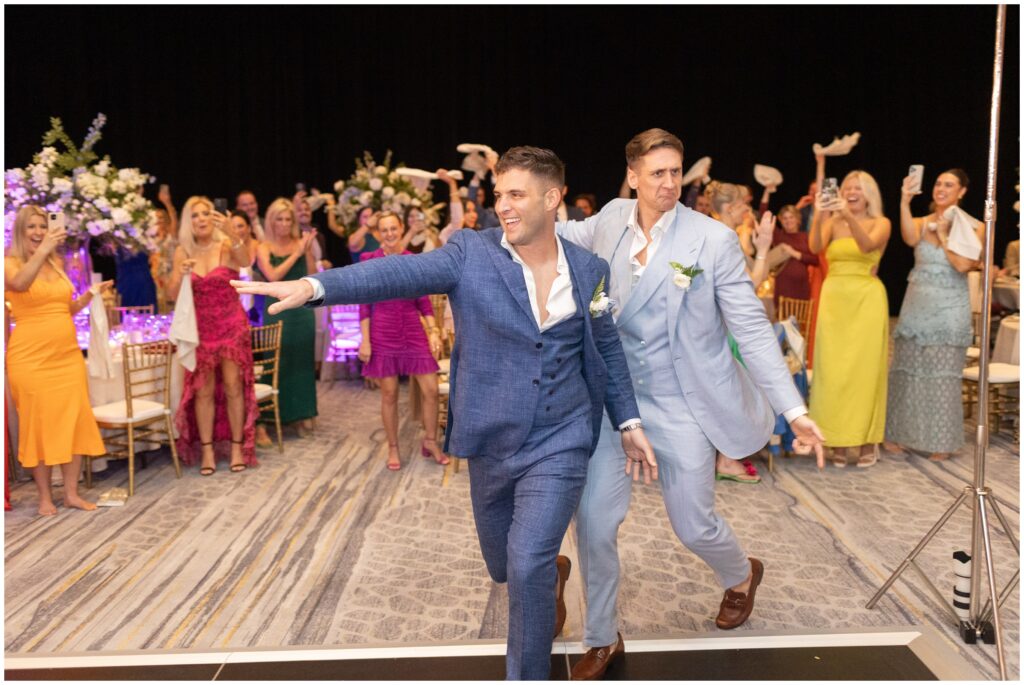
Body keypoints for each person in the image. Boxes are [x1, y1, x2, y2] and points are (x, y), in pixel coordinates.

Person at [233, 146, 656, 680]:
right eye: (499, 194)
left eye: (515, 194)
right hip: (490, 437)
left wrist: (629, 422)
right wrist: (317, 286)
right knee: (505, 565)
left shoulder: (590, 270)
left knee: (524, 564)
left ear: (552, 199)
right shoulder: (469, 253)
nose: (502, 205)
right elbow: (398, 273)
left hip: (562, 435)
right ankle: (547, 572)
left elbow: (607, 348)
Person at [556, 129, 824, 680]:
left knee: (693, 525)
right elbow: (554, 230)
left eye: (676, 172)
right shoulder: (608, 218)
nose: (669, 183)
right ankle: (602, 637)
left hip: (683, 403)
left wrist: (793, 411)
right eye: (657, 173)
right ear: (632, 176)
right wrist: (517, 206)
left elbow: (750, 330)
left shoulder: (712, 240)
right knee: (594, 522)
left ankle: (741, 574)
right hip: (614, 401)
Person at [5, 205, 111, 515]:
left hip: (67, 357)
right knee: (38, 425)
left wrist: (90, 295)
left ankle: (71, 493)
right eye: (32, 227)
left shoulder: (57, 263)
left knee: (73, 421)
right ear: (21, 232)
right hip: (30, 358)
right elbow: (22, 284)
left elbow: (64, 309)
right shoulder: (9, 264)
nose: (39, 232)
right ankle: (44, 498)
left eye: (42, 226)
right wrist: (44, 250)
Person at [884, 169, 981, 461]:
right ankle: (898, 434)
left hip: (949, 308)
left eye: (949, 185)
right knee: (907, 371)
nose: (941, 188)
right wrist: (903, 201)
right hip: (916, 306)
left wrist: (942, 234)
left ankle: (941, 441)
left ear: (961, 191)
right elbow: (909, 237)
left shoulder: (973, 226)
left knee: (943, 376)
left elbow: (964, 265)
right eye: (938, 183)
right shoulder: (921, 221)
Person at [169, 196, 258, 474]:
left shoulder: (225, 245)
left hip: (231, 325)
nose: (201, 219)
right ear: (189, 222)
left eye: (205, 213)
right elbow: (171, 295)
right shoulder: (183, 251)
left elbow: (246, 260)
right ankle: (206, 450)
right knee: (203, 390)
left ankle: (235, 446)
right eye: (194, 215)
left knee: (233, 386)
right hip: (200, 329)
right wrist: (180, 276)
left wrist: (231, 233)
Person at [808, 169, 891, 467]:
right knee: (832, 372)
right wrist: (819, 215)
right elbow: (815, 247)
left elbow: (868, 245)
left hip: (866, 300)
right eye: (847, 187)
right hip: (834, 299)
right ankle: (836, 440)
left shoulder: (882, 222)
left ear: (869, 193)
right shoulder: (832, 221)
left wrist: (848, 217)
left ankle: (866, 440)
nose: (851, 191)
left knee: (864, 373)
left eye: (857, 187)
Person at [357, 211, 448, 470]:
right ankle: (393, 447)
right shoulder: (369, 260)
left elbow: (423, 301)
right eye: (384, 230)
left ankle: (430, 441)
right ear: (378, 233)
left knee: (431, 389)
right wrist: (365, 341)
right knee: (389, 394)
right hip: (383, 332)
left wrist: (432, 330)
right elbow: (364, 305)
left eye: (393, 228)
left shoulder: (412, 260)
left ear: (400, 229)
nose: (389, 234)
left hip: (412, 330)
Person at [255, 198, 319, 440]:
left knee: (302, 364)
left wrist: (307, 249)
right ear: (271, 221)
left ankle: (300, 415)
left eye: (288, 219)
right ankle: (264, 420)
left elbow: (312, 276)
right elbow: (273, 278)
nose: (283, 223)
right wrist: (297, 252)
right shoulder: (264, 247)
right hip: (277, 311)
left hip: (302, 311)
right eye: (279, 219)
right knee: (276, 362)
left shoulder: (300, 243)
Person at [772, 204, 819, 309]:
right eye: (784, 218)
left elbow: (815, 260)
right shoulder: (779, 236)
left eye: (791, 217)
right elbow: (763, 214)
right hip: (784, 286)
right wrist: (767, 192)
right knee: (783, 321)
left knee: (801, 321)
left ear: (798, 219)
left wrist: (795, 253)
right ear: (781, 221)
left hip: (802, 286)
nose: (788, 221)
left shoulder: (806, 237)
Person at [151, 184, 179, 313]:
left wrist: (167, 203)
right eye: (156, 218)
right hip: (155, 280)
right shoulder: (150, 241)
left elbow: (174, 221)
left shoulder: (170, 237)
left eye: (161, 218)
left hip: (169, 278)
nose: (159, 221)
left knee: (170, 309)